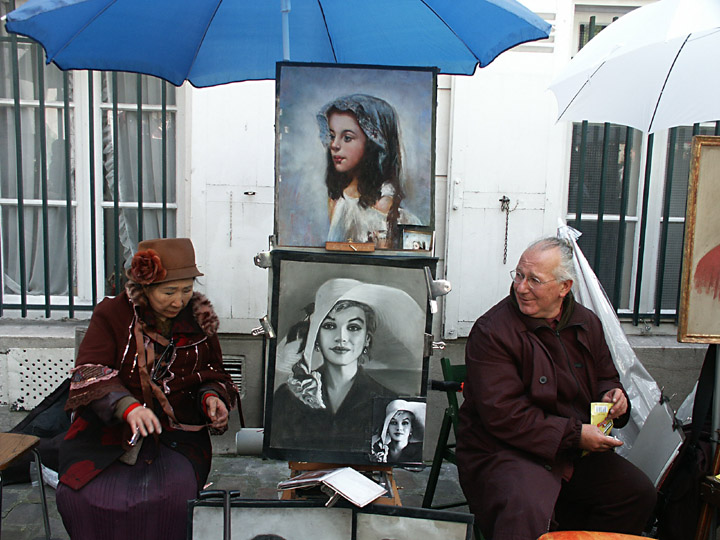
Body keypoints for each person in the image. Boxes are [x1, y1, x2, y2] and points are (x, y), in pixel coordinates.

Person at [456, 237, 656, 540]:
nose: (521, 287)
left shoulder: (588, 323)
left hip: (574, 451)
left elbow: (607, 376)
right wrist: (575, 435)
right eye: (519, 275)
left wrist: (613, 397)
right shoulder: (492, 331)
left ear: (564, 287)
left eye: (534, 280)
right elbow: (504, 415)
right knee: (525, 509)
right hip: (506, 450)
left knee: (636, 493)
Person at [55, 238, 238, 540]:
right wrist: (127, 406)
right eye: (169, 292)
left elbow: (213, 372)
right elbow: (90, 370)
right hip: (107, 434)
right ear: (145, 287)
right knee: (83, 497)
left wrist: (212, 397)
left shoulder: (199, 318)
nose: (179, 301)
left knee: (172, 497)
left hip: (175, 437)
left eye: (187, 290)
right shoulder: (112, 315)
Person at [271, 278, 424, 453]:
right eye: (329, 326)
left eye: (353, 327)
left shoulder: (386, 399)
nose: (341, 337)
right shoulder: (287, 397)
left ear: (367, 338)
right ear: (316, 336)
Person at [316, 94, 420, 248]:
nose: (334, 145)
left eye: (347, 138)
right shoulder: (338, 200)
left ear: (373, 143)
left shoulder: (392, 209)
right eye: (332, 136)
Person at [370, 399, 425, 463]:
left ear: (411, 428)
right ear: (387, 427)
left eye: (405, 423)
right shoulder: (379, 450)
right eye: (393, 423)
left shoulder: (420, 453)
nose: (399, 428)